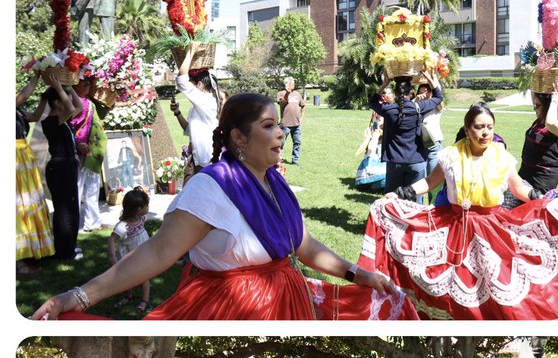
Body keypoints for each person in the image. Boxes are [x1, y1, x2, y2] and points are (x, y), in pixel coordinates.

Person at [34, 93, 411, 322]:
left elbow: (302, 244)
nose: (280, 133)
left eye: (279, 125)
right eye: (268, 126)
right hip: (232, 310)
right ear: (238, 137)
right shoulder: (210, 188)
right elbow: (157, 253)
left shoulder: (273, 179)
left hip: (285, 302)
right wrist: (77, 297)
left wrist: (356, 273)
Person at [362, 102, 558, 320]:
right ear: (467, 128)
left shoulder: (502, 157)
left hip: (491, 228)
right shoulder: (451, 155)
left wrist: (545, 199)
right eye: (479, 127)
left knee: (498, 288)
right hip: (451, 226)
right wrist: (400, 194)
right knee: (450, 287)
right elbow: (429, 183)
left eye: (490, 127)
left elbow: (521, 189)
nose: (485, 133)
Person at [29, 79, 83, 263]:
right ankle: (65, 252)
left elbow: (78, 106)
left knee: (71, 208)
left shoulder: (61, 119)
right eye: (64, 97)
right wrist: (59, 87)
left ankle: (68, 246)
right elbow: (70, 108)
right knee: (64, 211)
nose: (68, 99)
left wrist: (68, 86)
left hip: (65, 166)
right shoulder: (51, 121)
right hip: (60, 169)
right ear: (57, 103)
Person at [370, 74, 445, 194]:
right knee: (414, 203)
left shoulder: (389, 110)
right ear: (411, 91)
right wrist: (430, 79)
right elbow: (439, 97)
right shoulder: (418, 107)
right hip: (416, 161)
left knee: (392, 200)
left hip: (394, 161)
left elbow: (373, 101)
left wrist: (384, 84)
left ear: (395, 92)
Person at [16, 75, 55, 272]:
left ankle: (29, 252)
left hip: (23, 162)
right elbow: (23, 95)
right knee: (18, 206)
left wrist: (43, 99)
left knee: (28, 202)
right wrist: (38, 75)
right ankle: (18, 260)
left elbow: (34, 116)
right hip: (14, 163)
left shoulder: (15, 110)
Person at [175, 42, 223, 170]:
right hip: (201, 161)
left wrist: (191, 52)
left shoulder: (205, 100)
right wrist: (177, 113)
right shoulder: (200, 105)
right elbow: (189, 131)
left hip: (207, 161)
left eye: (192, 84)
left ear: (200, 85)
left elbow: (181, 80)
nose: (190, 87)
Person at [70, 79, 107, 234]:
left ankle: (93, 222)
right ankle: (71, 224)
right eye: (83, 83)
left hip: (92, 151)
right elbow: (69, 125)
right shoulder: (72, 102)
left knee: (92, 188)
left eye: (88, 83)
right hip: (79, 151)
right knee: (77, 188)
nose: (87, 85)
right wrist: (78, 142)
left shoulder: (89, 102)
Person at [108, 187, 152, 312]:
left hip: (143, 254)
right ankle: (128, 296)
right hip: (129, 257)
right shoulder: (123, 226)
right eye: (146, 206)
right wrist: (112, 256)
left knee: (144, 277)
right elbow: (112, 239)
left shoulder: (142, 218)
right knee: (126, 279)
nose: (148, 208)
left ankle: (145, 300)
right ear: (138, 209)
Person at [518, 90, 558, 195]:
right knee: (513, 206)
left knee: (533, 208)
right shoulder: (539, 121)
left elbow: (550, 122)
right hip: (525, 172)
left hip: (543, 177)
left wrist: (554, 98)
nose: (534, 108)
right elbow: (533, 91)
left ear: (548, 106)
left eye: (538, 105)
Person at [415, 83, 444, 187]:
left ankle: (434, 201)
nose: (424, 95)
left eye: (427, 93)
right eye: (421, 93)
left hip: (433, 142)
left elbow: (440, 100)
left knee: (433, 175)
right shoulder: (415, 105)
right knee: (418, 177)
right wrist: (416, 100)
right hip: (417, 144)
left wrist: (432, 78)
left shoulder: (436, 106)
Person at [277, 77, 305, 166]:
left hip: (297, 124)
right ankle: (278, 159)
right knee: (281, 142)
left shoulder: (297, 94)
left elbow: (303, 106)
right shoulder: (281, 93)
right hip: (285, 124)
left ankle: (295, 160)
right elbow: (282, 103)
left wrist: (302, 117)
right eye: (292, 83)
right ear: (286, 83)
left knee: (297, 142)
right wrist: (287, 93)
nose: (294, 84)